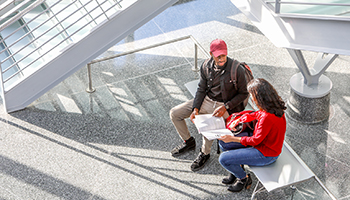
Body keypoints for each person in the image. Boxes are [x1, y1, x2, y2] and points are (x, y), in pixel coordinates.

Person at [169, 39, 249, 171]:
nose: (221, 58)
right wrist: (196, 108)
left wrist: (225, 107)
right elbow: (201, 88)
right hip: (208, 99)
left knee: (208, 126)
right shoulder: (206, 65)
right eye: (218, 56)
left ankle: (204, 153)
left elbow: (244, 94)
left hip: (226, 105)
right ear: (211, 53)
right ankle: (188, 141)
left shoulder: (237, 69)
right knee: (175, 113)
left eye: (223, 55)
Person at [218, 78, 287, 192]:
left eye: (252, 96)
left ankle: (243, 178)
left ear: (259, 98)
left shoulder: (267, 118)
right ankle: (236, 169)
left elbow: (255, 141)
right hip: (265, 146)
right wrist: (240, 120)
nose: (251, 99)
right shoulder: (273, 107)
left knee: (223, 159)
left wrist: (233, 138)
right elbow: (257, 114)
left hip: (266, 153)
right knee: (223, 143)